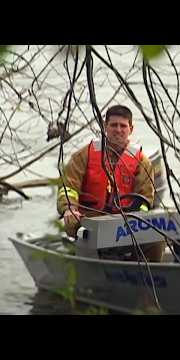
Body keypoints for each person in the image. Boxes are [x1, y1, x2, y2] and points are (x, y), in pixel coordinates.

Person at [57, 104, 165, 262]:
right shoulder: (83, 156)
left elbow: (145, 198)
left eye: (123, 126)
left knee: (156, 239)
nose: (118, 130)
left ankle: (144, 275)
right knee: (75, 224)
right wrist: (69, 209)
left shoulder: (142, 162)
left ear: (131, 129)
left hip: (125, 225)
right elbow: (68, 188)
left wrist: (136, 216)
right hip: (88, 222)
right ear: (104, 126)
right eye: (113, 125)